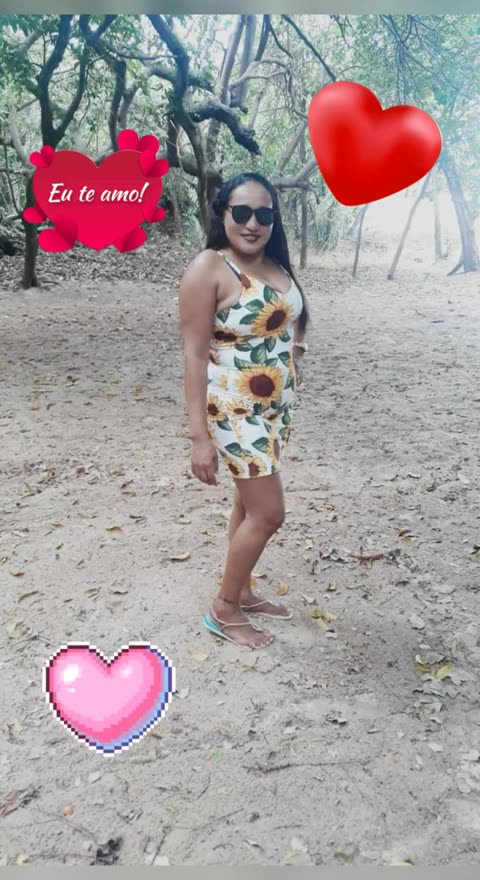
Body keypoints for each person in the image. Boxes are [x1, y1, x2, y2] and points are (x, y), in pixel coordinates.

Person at [178, 171, 310, 649]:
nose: (253, 223)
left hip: (275, 409)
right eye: (242, 212)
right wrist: (199, 437)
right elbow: (194, 355)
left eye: (264, 214)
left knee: (247, 504)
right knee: (269, 514)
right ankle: (225, 608)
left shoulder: (275, 262)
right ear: (222, 214)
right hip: (235, 412)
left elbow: (286, 319)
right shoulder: (210, 268)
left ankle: (244, 590)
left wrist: (295, 354)